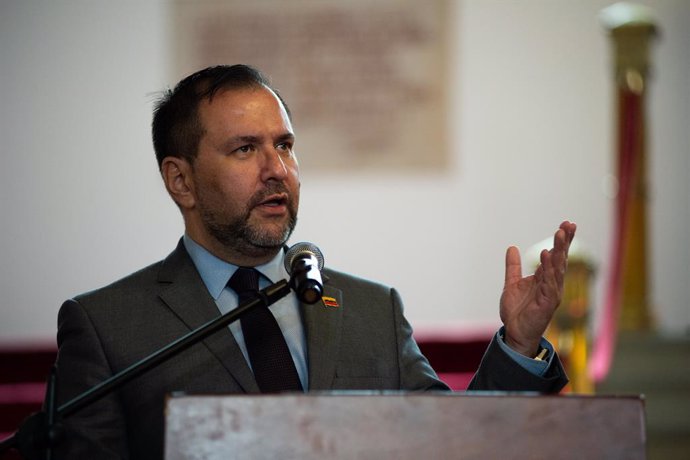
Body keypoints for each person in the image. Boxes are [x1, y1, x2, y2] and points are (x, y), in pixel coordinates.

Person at [52, 64, 576, 459]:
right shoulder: (108, 328)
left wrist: (520, 342)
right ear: (180, 180)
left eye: (285, 145)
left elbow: (453, 444)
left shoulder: (372, 311)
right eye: (244, 149)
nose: (277, 169)